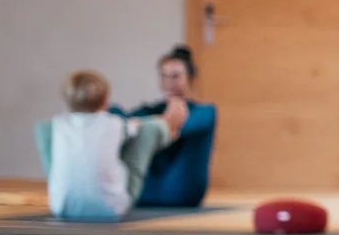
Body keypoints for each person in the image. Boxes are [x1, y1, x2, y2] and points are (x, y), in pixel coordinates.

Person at [36, 70, 184, 221]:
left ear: (67, 101)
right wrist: (162, 124)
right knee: (150, 129)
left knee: (45, 131)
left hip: (61, 207)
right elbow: (139, 128)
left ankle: (64, 189)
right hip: (112, 208)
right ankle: (170, 131)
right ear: (105, 101)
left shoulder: (56, 125)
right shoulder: (115, 124)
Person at [122, 45, 217, 208]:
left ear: (190, 79)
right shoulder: (146, 111)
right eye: (164, 76)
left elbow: (185, 127)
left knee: (146, 128)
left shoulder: (204, 111)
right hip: (145, 191)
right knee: (116, 113)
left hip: (182, 192)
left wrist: (159, 126)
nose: (169, 82)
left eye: (175, 76)